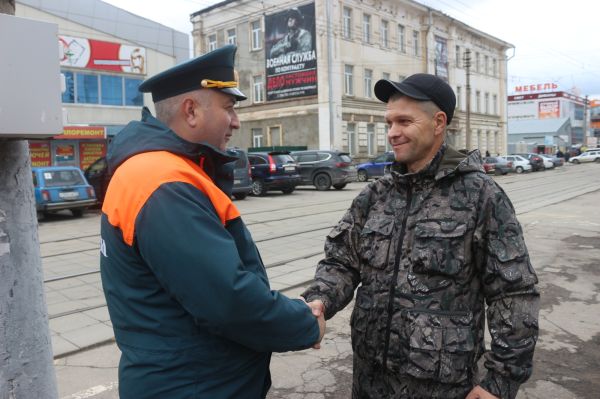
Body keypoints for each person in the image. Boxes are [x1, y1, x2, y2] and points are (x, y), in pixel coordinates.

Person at [100, 45, 324, 399]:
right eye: (229, 108)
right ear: (191, 111)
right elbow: (227, 300)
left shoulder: (166, 172)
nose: (236, 122)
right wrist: (304, 323)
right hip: (192, 386)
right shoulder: (163, 183)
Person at [302, 73, 539, 399]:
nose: (392, 133)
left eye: (404, 121)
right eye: (388, 123)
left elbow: (514, 294)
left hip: (440, 387)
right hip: (369, 382)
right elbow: (341, 262)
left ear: (438, 122)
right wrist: (320, 300)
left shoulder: (481, 196)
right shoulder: (375, 195)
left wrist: (500, 382)